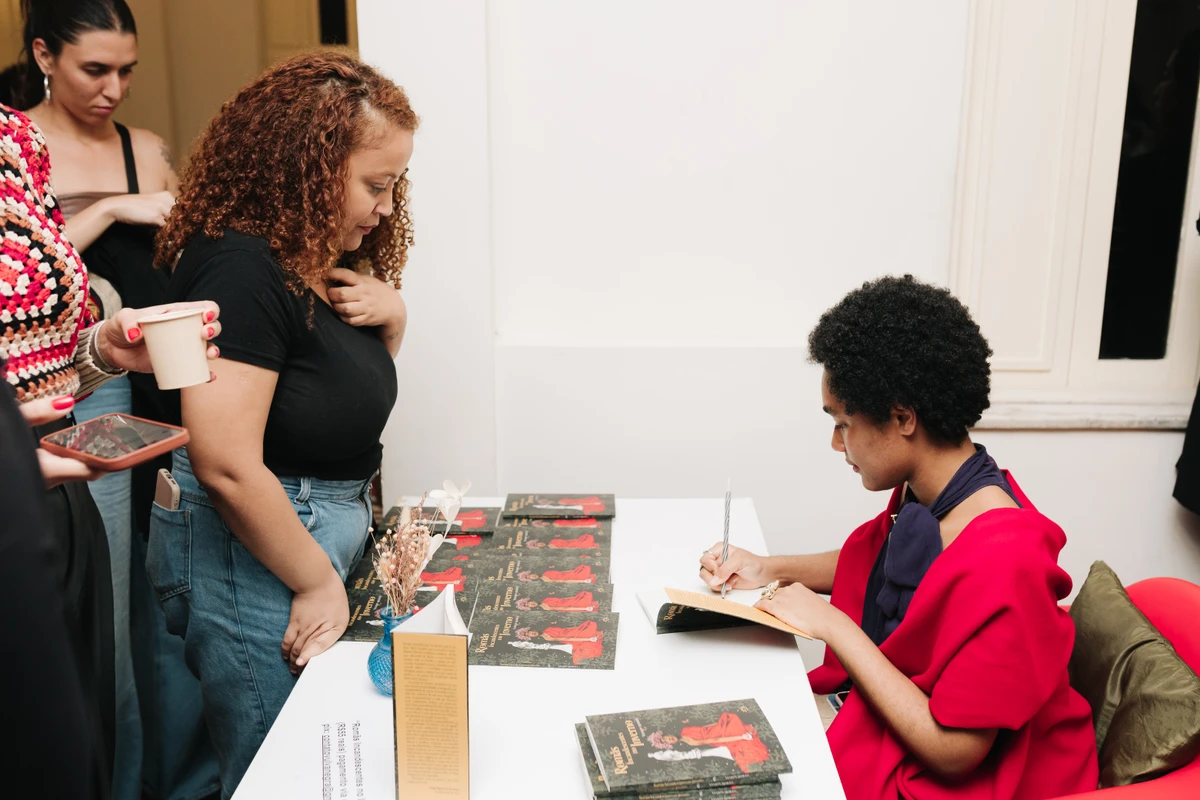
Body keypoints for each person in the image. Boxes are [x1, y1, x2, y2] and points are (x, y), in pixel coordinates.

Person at [699, 276, 1098, 800]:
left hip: (994, 779)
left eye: (843, 422)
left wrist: (834, 627)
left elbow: (955, 753)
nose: (836, 442)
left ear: (903, 417)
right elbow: (876, 565)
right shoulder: (940, 489)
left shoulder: (1007, 558)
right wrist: (769, 568)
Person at [147, 51, 415, 796]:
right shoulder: (241, 268)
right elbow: (225, 461)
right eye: (376, 185)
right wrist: (314, 581)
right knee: (285, 774)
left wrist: (391, 320)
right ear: (312, 164)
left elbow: (332, 395)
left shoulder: (309, 263)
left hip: (307, 533)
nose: (387, 208)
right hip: (261, 550)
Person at [2, 3, 218, 797]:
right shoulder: (21, 144)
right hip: (39, 407)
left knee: (138, 603)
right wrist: (109, 211)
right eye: (96, 69)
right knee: (67, 624)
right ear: (43, 56)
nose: (114, 88)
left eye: (126, 70)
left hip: (115, 375)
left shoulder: (145, 149)